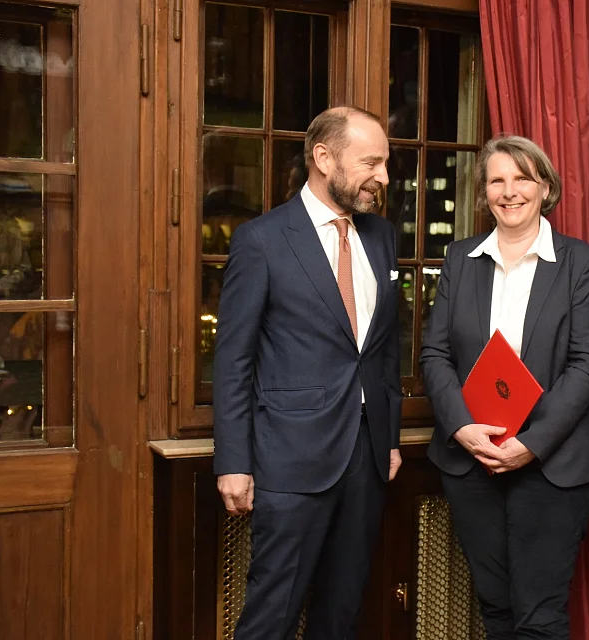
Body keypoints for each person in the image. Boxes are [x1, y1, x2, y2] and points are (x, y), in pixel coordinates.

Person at [213, 105, 402, 640]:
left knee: (342, 613)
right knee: (271, 615)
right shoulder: (263, 240)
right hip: (291, 462)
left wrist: (386, 439)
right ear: (323, 157)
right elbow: (234, 360)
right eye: (371, 163)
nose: (383, 178)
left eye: (385, 164)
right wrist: (233, 461)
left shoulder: (382, 237)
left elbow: (382, 349)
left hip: (366, 461)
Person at [420, 134, 589, 640]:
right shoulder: (460, 259)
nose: (509, 191)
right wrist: (460, 426)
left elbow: (588, 364)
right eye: (496, 180)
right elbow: (434, 354)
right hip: (472, 461)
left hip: (552, 465)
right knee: (496, 608)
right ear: (484, 193)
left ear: (544, 186)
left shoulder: (580, 263)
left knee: (539, 616)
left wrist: (531, 443)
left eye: (522, 178)